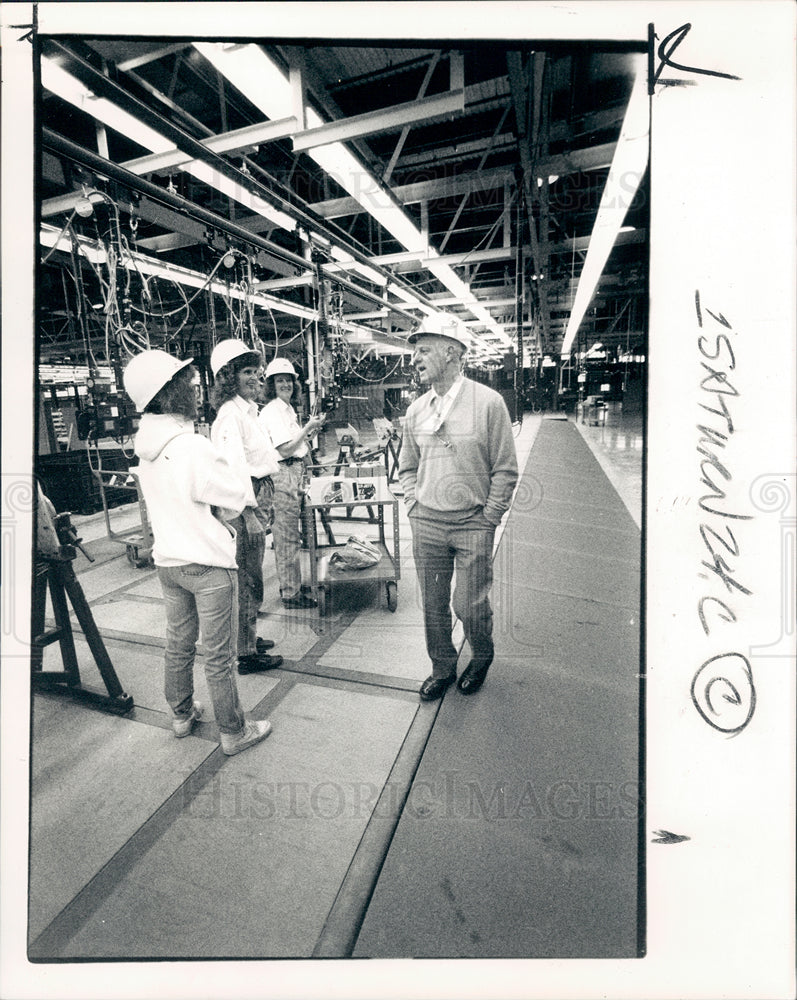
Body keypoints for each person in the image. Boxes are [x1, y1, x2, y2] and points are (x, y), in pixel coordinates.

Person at [122, 349, 271, 755]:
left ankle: (182, 715)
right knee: (219, 657)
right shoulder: (190, 446)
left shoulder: (145, 446)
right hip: (207, 566)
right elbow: (235, 495)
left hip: (169, 563)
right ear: (166, 393)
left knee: (179, 645)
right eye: (185, 381)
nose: (195, 385)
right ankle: (233, 732)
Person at [398, 316, 518, 701]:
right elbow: (406, 465)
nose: (415, 357)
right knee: (433, 605)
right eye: (415, 350)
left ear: (452, 351)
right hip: (427, 523)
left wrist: (490, 518)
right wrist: (412, 504)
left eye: (424, 349)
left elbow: (505, 468)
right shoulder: (416, 411)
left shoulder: (488, 404)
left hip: (472, 523)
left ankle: (481, 655)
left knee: (469, 603)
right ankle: (442, 667)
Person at [209, 339, 284, 673]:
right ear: (229, 377)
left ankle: (248, 638)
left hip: (258, 496)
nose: (256, 378)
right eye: (247, 372)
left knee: (253, 576)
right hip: (246, 504)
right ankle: (246, 654)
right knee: (248, 580)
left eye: (257, 371)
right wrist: (249, 512)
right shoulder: (230, 417)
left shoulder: (248, 412)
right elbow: (234, 470)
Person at [258, 357, 325, 609]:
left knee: (294, 537)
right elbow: (285, 449)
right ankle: (290, 594)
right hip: (282, 474)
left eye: (288, 380)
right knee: (286, 536)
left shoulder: (286, 409)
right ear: (271, 385)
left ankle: (293, 584)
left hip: (294, 472)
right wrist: (307, 426)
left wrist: (309, 433)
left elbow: (297, 444)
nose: (285, 384)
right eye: (279, 381)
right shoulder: (273, 410)